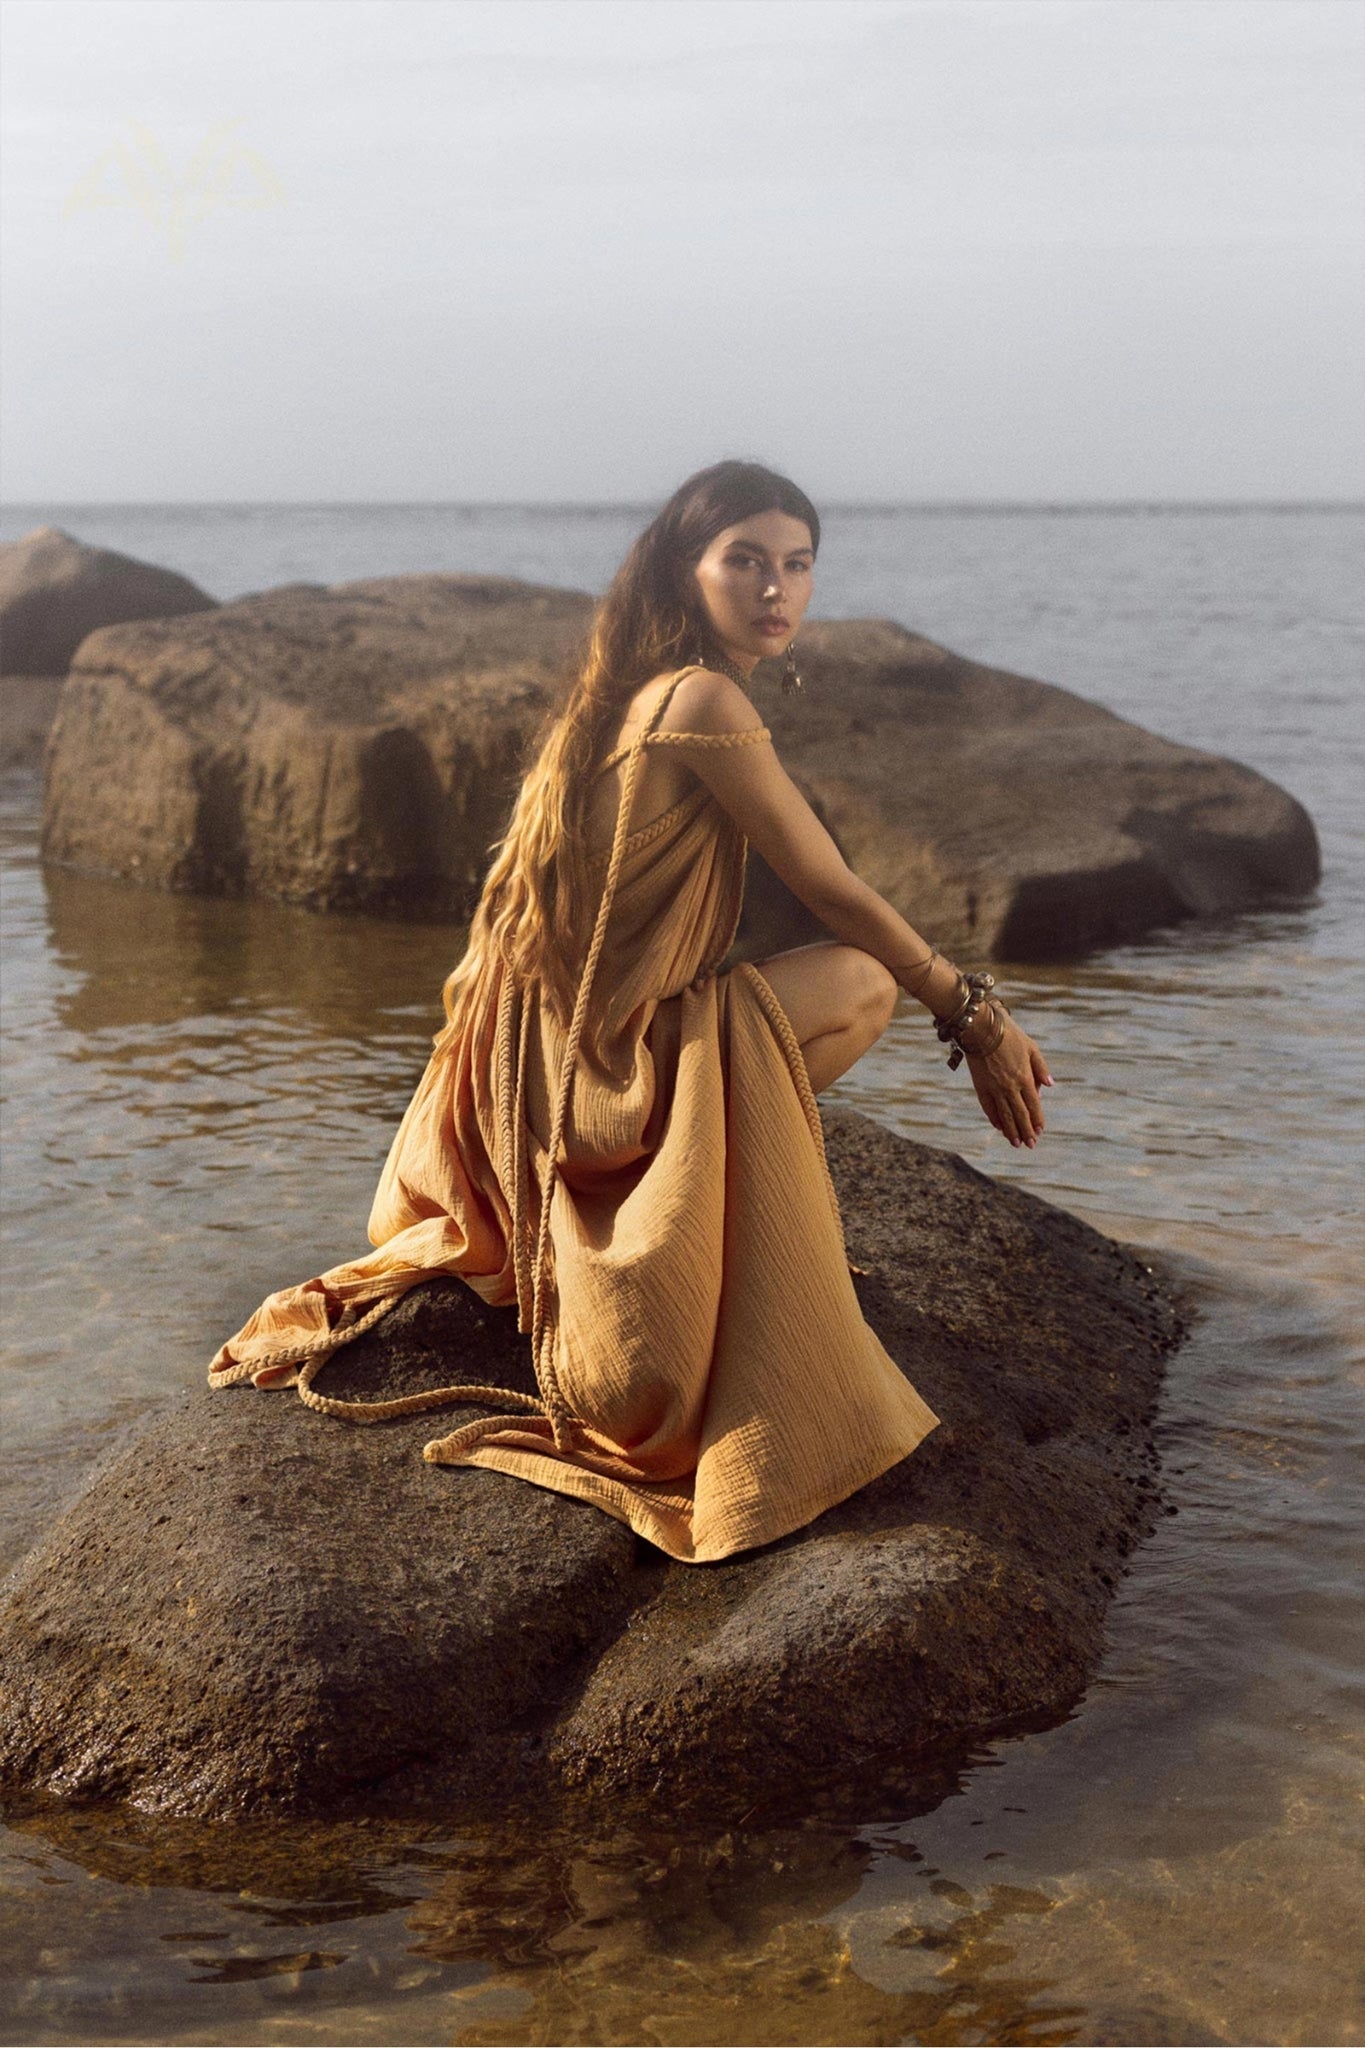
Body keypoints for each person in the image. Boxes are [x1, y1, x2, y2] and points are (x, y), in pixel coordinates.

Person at [209, 460, 1053, 1564]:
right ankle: (682, 1187)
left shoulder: (620, 691)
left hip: (532, 1070)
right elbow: (831, 885)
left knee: (780, 998)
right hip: (597, 1077)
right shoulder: (700, 701)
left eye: (797, 565)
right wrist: (976, 1015)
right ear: (682, 569)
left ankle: (687, 1162)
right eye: (744, 560)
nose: (775, 591)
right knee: (862, 982)